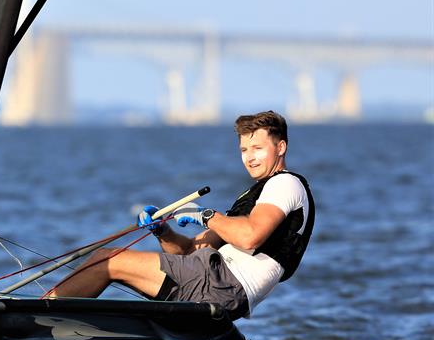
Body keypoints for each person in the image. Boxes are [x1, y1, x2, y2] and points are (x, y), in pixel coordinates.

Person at [46, 110, 315, 320]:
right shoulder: (253, 197)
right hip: (211, 278)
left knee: (109, 259)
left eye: (258, 148)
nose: (250, 157)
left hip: (224, 285)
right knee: (110, 262)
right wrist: (162, 230)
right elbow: (186, 254)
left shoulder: (285, 183)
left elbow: (250, 237)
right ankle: (42, 313)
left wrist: (206, 214)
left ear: (280, 148)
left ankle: (37, 316)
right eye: (244, 150)